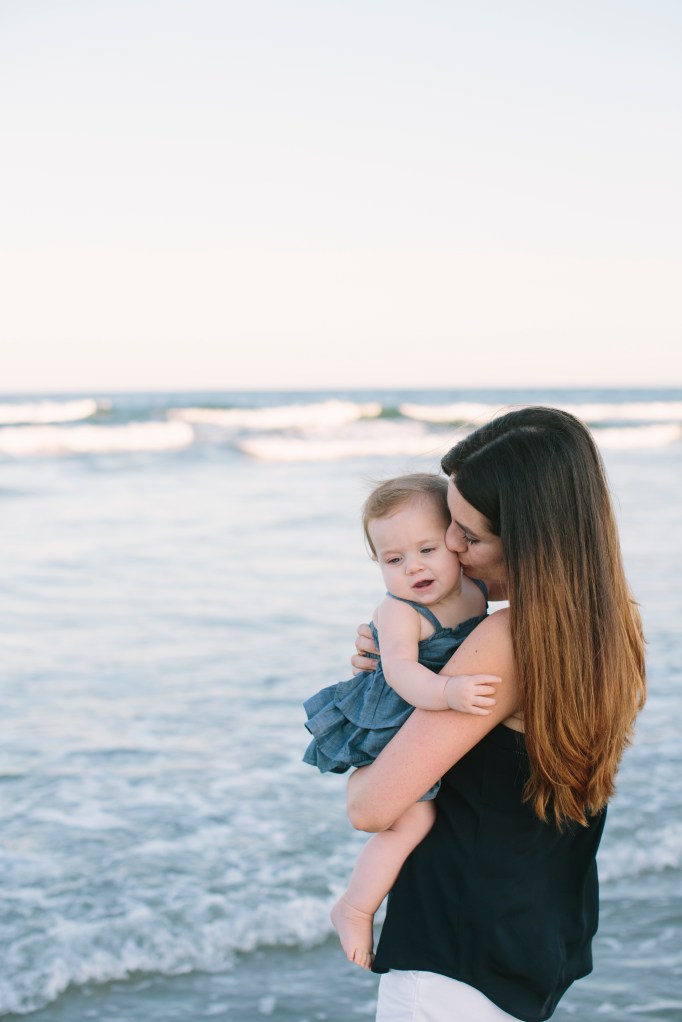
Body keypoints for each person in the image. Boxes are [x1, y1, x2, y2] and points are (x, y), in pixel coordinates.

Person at [348, 407, 646, 1022]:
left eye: (469, 535)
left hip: (453, 961)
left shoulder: (508, 639)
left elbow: (370, 808)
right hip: (531, 943)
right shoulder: (613, 624)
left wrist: (367, 733)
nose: (451, 548)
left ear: (530, 537)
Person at [303, 473, 501, 970]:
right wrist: (447, 691)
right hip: (398, 715)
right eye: (394, 560)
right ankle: (355, 906)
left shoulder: (477, 589)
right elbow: (401, 671)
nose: (413, 567)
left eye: (427, 549)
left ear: (457, 544)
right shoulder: (398, 612)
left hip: (440, 713)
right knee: (414, 816)